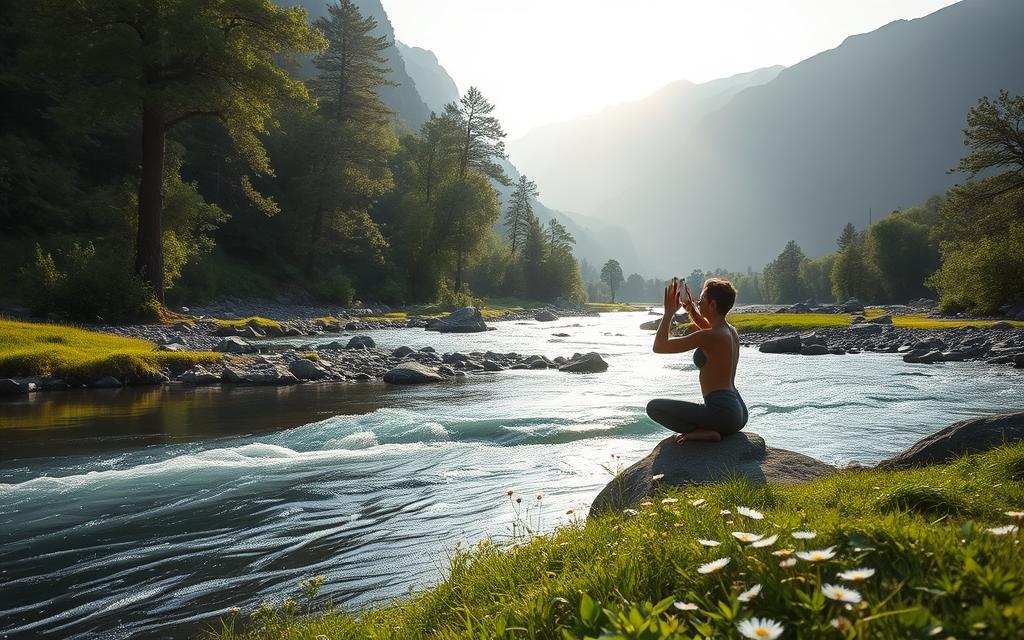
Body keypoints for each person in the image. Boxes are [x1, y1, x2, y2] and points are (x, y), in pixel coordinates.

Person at [648, 277, 748, 443]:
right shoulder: (730, 332)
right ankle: (714, 429)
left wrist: (668, 314)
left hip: (722, 412)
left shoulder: (709, 336)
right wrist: (691, 310)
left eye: (702, 300)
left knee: (654, 408)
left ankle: (708, 432)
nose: (698, 302)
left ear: (713, 305)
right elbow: (708, 328)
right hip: (738, 411)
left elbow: (660, 346)